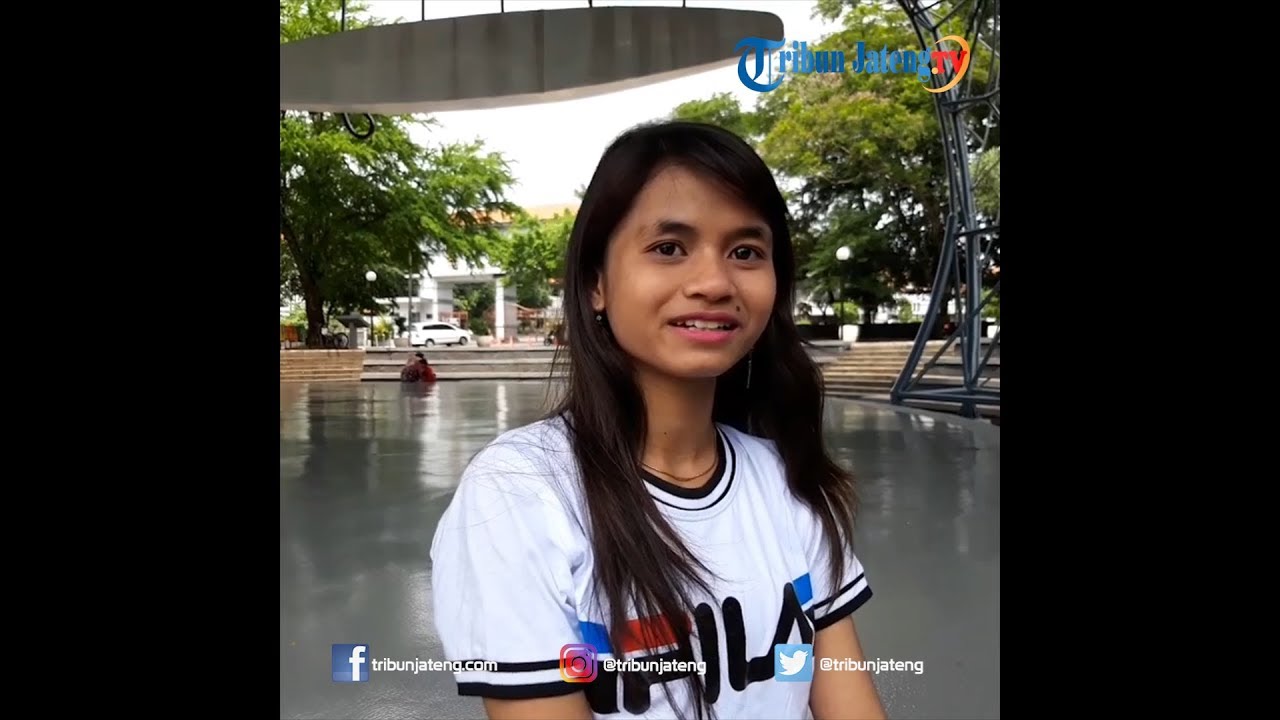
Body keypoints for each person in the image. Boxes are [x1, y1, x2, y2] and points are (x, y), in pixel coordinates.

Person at [430, 121, 884, 720]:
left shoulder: (788, 482)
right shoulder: (519, 494)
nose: (714, 283)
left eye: (746, 252)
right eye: (669, 248)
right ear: (596, 283)